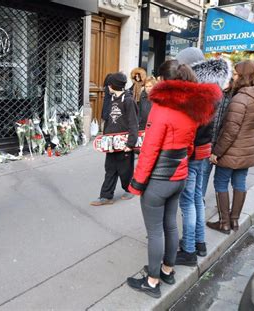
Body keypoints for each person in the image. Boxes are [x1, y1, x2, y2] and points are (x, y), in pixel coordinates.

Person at [126, 60, 221, 298]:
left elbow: (150, 149)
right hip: (179, 174)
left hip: (159, 178)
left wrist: (137, 182)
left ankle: (152, 281)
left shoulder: (162, 108)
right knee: (169, 224)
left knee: (155, 230)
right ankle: (167, 270)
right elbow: (189, 146)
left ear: (165, 82)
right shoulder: (192, 108)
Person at [174, 47, 232, 266]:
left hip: (192, 151)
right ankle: (199, 242)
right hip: (204, 148)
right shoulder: (214, 86)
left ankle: (188, 249)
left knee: (188, 201)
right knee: (197, 197)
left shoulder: (194, 88)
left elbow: (189, 128)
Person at [208, 60, 254, 234]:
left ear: (244, 76)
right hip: (249, 149)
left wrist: (216, 153)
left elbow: (230, 131)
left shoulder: (241, 99)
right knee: (239, 183)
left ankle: (224, 222)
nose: (233, 77)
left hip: (231, 151)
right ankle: (234, 221)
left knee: (220, 182)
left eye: (236, 74)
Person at [90, 72, 139, 206]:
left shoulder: (128, 100)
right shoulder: (111, 99)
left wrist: (130, 143)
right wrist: (105, 138)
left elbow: (133, 123)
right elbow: (107, 120)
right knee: (110, 168)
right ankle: (106, 196)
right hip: (111, 143)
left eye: (109, 85)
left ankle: (129, 188)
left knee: (125, 169)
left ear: (112, 86)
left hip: (124, 143)